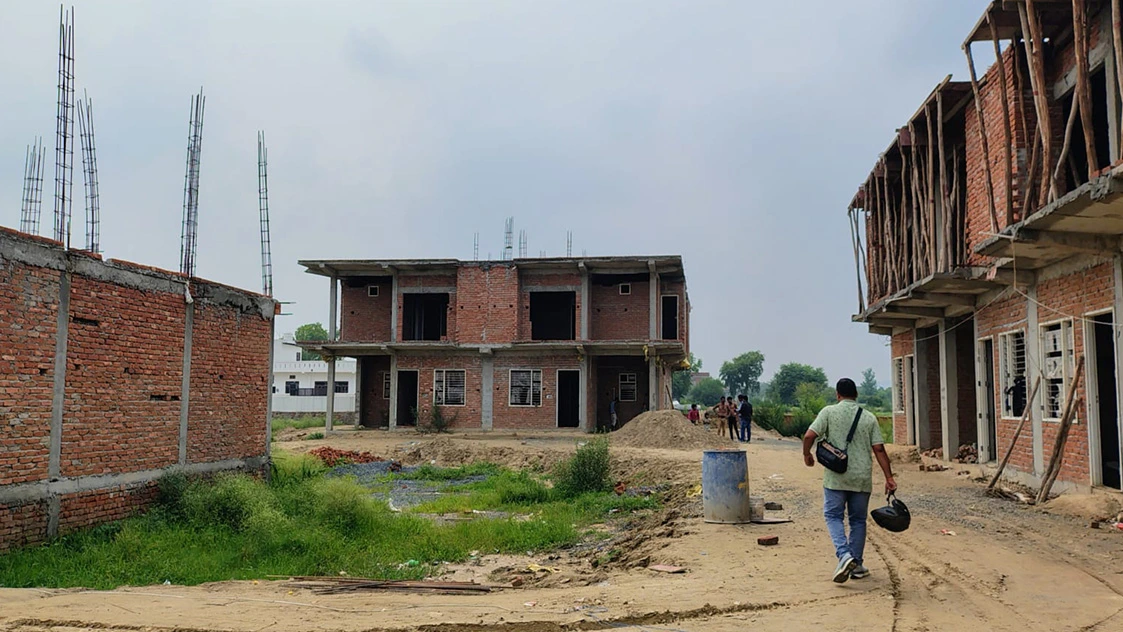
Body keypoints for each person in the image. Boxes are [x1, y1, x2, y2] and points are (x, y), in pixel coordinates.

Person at [802, 378, 897, 584]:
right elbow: (879, 449)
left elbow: (809, 436)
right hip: (861, 478)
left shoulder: (828, 412)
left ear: (838, 395)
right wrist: (889, 477)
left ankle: (844, 555)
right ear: (856, 395)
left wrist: (807, 455)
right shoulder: (869, 417)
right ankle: (857, 565)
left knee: (833, 516)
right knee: (858, 520)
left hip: (836, 477)